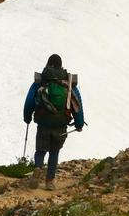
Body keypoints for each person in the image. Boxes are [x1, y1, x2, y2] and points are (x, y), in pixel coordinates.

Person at [23, 53, 84, 191]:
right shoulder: (68, 83)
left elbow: (30, 101)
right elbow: (77, 103)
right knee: (54, 152)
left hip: (43, 123)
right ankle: (49, 181)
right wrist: (79, 123)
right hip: (60, 124)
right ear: (61, 66)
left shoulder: (41, 81)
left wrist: (27, 117)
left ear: (48, 64)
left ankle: (38, 167)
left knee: (40, 150)